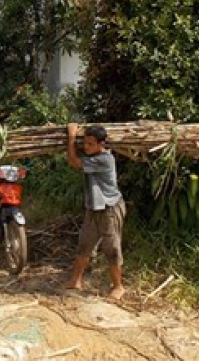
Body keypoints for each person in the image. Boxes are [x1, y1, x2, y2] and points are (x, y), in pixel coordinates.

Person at [63, 123, 126, 300]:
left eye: (90, 144)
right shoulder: (94, 154)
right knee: (85, 244)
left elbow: (73, 161)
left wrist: (71, 137)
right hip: (94, 208)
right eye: (85, 143)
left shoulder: (105, 159)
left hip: (109, 208)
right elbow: (77, 157)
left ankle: (118, 286)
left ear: (101, 144)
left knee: (112, 247)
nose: (86, 147)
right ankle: (76, 280)